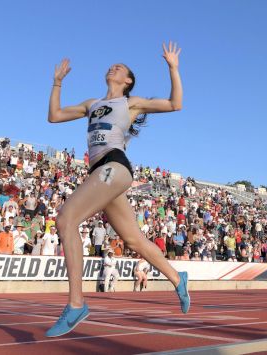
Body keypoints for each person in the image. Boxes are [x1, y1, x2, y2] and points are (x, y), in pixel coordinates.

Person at [45, 42, 189, 337]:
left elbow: (175, 104)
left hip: (116, 165)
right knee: (134, 241)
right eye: (112, 66)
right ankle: (177, 277)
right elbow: (55, 115)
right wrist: (57, 82)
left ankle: (76, 304)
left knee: (66, 220)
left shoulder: (131, 103)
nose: (113, 67)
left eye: (120, 68)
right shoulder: (91, 104)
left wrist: (173, 68)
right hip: (100, 173)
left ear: (128, 81)